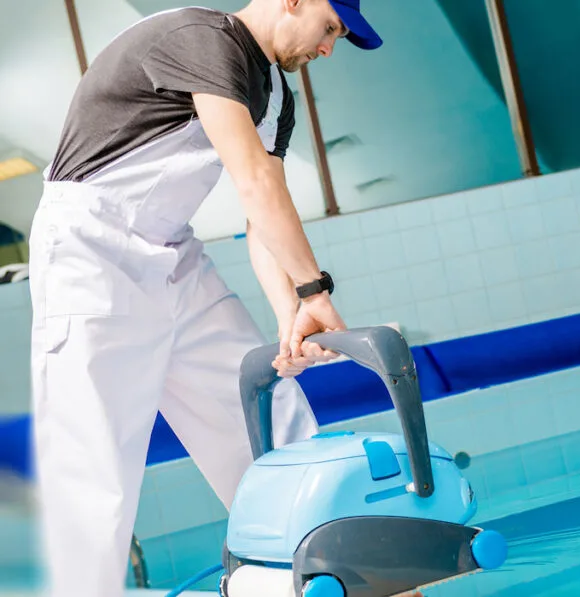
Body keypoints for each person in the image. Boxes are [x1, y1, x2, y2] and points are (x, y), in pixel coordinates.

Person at [27, 1, 382, 596]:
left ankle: (339, 574)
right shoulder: (203, 37)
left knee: (270, 414)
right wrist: (314, 290)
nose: (328, 49)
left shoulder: (275, 96)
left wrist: (291, 314)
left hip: (173, 254)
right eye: (330, 29)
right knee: (93, 473)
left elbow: (259, 220)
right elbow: (254, 179)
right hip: (92, 251)